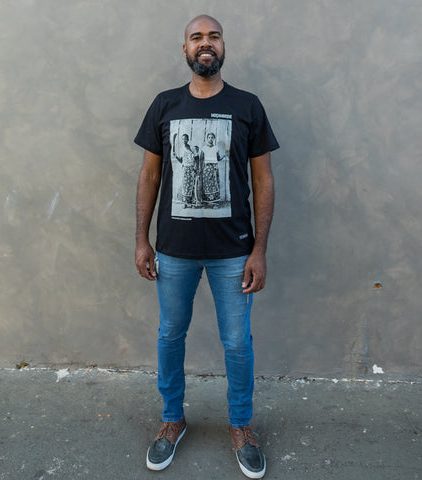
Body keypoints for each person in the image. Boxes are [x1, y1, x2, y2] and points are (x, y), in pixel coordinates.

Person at [134, 14, 279, 479]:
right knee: (169, 336)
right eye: (196, 37)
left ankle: (241, 426)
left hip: (233, 251)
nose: (205, 43)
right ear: (185, 49)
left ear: (223, 46)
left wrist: (258, 250)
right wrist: (142, 240)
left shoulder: (247, 105)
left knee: (237, 342)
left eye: (213, 36)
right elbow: (150, 175)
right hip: (173, 250)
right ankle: (172, 420)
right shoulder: (165, 104)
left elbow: (263, 180)